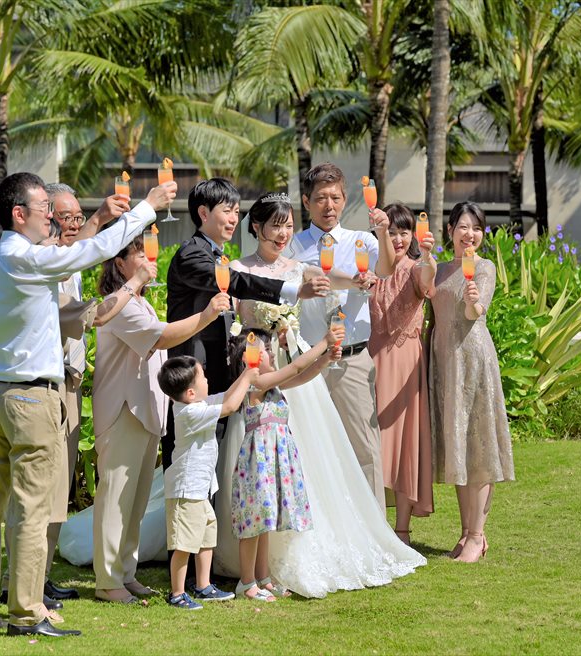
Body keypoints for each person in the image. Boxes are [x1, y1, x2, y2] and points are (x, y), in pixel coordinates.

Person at [0, 171, 175, 637]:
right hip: (30, 398)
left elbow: (43, 313)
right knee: (31, 510)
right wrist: (149, 205)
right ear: (19, 215)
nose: (53, 223)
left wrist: (95, 308)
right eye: (45, 213)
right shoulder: (27, 257)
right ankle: (26, 613)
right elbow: (92, 251)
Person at [214, 192, 425, 598]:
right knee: (251, 457)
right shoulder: (237, 269)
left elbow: (335, 279)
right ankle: (246, 557)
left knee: (308, 458)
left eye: (288, 225)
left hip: (293, 370)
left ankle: (291, 547)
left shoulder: (298, 266)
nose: (283, 233)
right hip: (256, 371)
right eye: (276, 225)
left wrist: (362, 281)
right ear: (256, 227)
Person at [91, 237, 230, 604]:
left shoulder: (140, 302)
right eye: (139, 251)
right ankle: (107, 581)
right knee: (116, 498)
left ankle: (125, 572)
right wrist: (207, 315)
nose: (147, 256)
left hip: (145, 410)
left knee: (134, 501)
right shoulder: (120, 306)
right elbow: (163, 336)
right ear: (120, 263)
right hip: (123, 410)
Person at [163, 178, 329, 467]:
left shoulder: (216, 254)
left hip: (220, 372)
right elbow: (237, 282)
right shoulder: (192, 254)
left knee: (215, 458)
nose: (233, 219)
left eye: (237, 211)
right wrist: (291, 290)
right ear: (204, 214)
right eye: (227, 210)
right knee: (190, 462)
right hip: (195, 374)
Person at [290, 163, 396, 511]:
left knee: (364, 447)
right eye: (320, 198)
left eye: (335, 197)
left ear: (345, 199)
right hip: (308, 362)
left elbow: (386, 270)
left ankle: (375, 530)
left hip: (352, 358)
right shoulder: (292, 245)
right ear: (306, 201)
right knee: (309, 446)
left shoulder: (361, 241)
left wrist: (382, 232)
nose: (329, 205)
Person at [225, 325, 342, 601]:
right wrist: (323, 342)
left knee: (264, 521)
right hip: (258, 463)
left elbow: (301, 374)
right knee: (254, 522)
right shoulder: (254, 382)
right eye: (264, 350)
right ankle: (246, 581)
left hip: (274, 458)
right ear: (249, 358)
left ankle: (263, 577)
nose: (269, 353)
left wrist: (325, 360)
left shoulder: (270, 383)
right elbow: (295, 368)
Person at [430, 201, 515, 563]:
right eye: (463, 227)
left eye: (477, 228)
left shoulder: (485, 268)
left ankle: (478, 536)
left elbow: (472, 315)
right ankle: (466, 533)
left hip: (474, 359)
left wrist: (473, 302)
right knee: (457, 446)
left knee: (478, 445)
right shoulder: (437, 270)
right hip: (445, 362)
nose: (470, 234)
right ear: (449, 231)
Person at [157, 356, 257, 610]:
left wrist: (247, 371)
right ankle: (177, 593)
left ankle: (203, 585)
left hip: (200, 487)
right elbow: (230, 407)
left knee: (205, 536)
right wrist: (249, 376)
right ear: (190, 392)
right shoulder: (191, 412)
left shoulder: (195, 403)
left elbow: (226, 397)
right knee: (184, 544)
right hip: (186, 489)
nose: (207, 379)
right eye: (202, 377)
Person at [368, 203, 437, 545]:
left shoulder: (414, 267)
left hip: (407, 362)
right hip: (371, 362)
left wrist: (426, 256)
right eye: (391, 232)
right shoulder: (372, 268)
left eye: (403, 232)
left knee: (406, 442)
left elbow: (427, 280)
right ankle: (373, 523)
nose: (397, 238)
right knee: (372, 444)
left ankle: (403, 529)